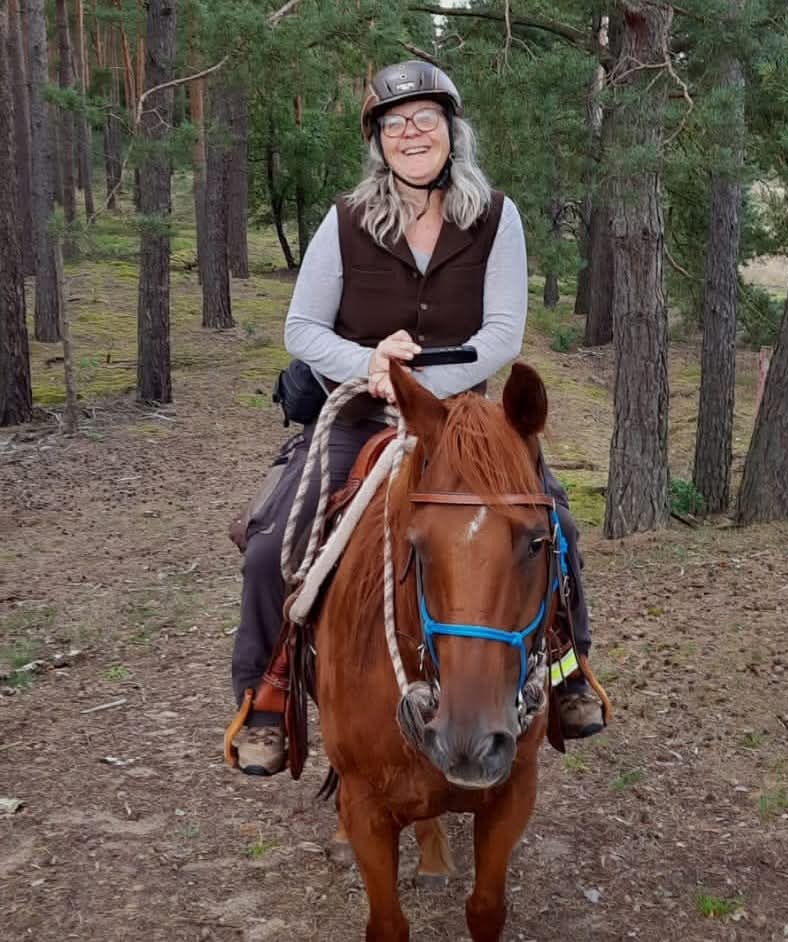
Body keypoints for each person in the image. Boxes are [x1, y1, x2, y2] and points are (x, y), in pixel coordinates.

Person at [230, 60, 603, 776]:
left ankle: (566, 672)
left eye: (425, 118)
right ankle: (267, 696)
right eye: (395, 123)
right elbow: (302, 329)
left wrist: (418, 388)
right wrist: (371, 364)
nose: (411, 132)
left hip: (462, 421)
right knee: (270, 543)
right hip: (360, 412)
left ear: (451, 131)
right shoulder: (345, 220)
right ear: (378, 139)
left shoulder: (496, 216)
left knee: (552, 522)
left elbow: (503, 335)